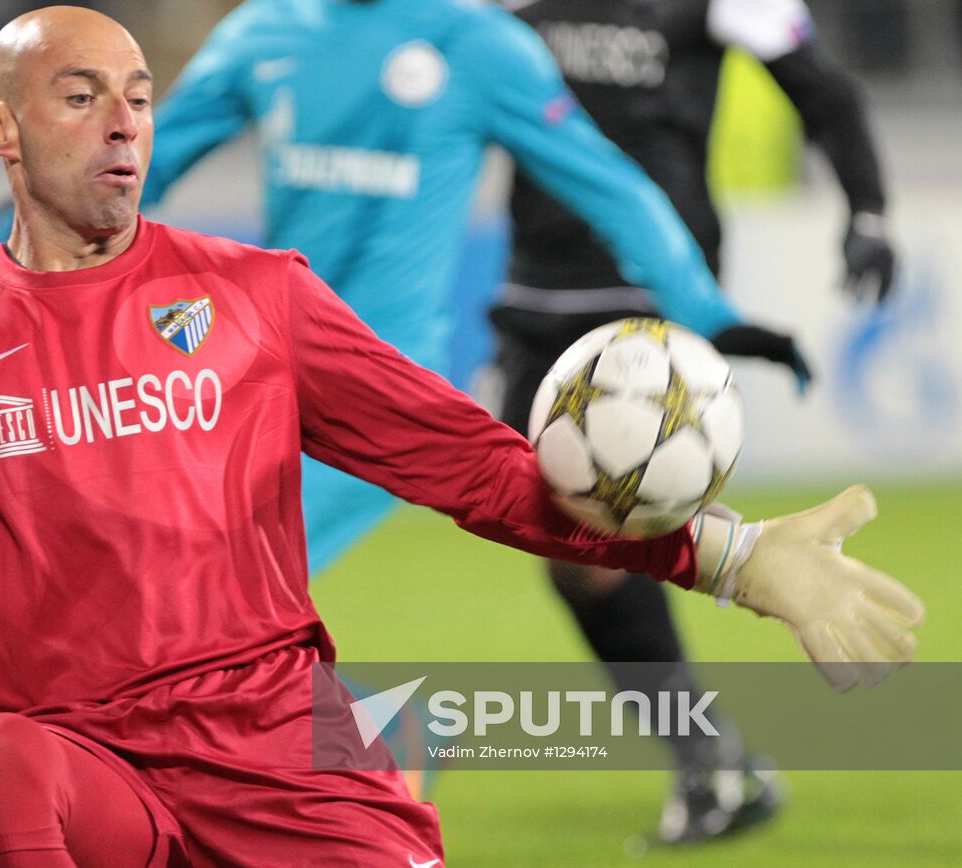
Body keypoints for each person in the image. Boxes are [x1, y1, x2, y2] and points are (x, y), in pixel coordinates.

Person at [0, 6, 923, 866]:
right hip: (93, 761)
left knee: (272, 644)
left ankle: (401, 777)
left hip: (299, 584)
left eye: (137, 96)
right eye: (80, 96)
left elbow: (480, 460)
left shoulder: (269, 280)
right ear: (0, 128)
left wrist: (733, 553)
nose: (126, 122)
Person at [135, 0, 811, 842]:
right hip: (256, 382)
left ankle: (332, 780)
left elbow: (604, 178)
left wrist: (703, 310)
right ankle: (381, 746)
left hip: (380, 398)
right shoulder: (263, 32)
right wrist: (16, 260)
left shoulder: (480, 45)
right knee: (168, 625)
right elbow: (135, 167)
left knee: (184, 619)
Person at [489, 0, 896, 841]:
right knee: (564, 552)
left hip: (653, 296)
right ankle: (719, 761)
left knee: (595, 544)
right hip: (537, 293)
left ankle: (711, 764)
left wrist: (868, 211)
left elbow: (823, 91)